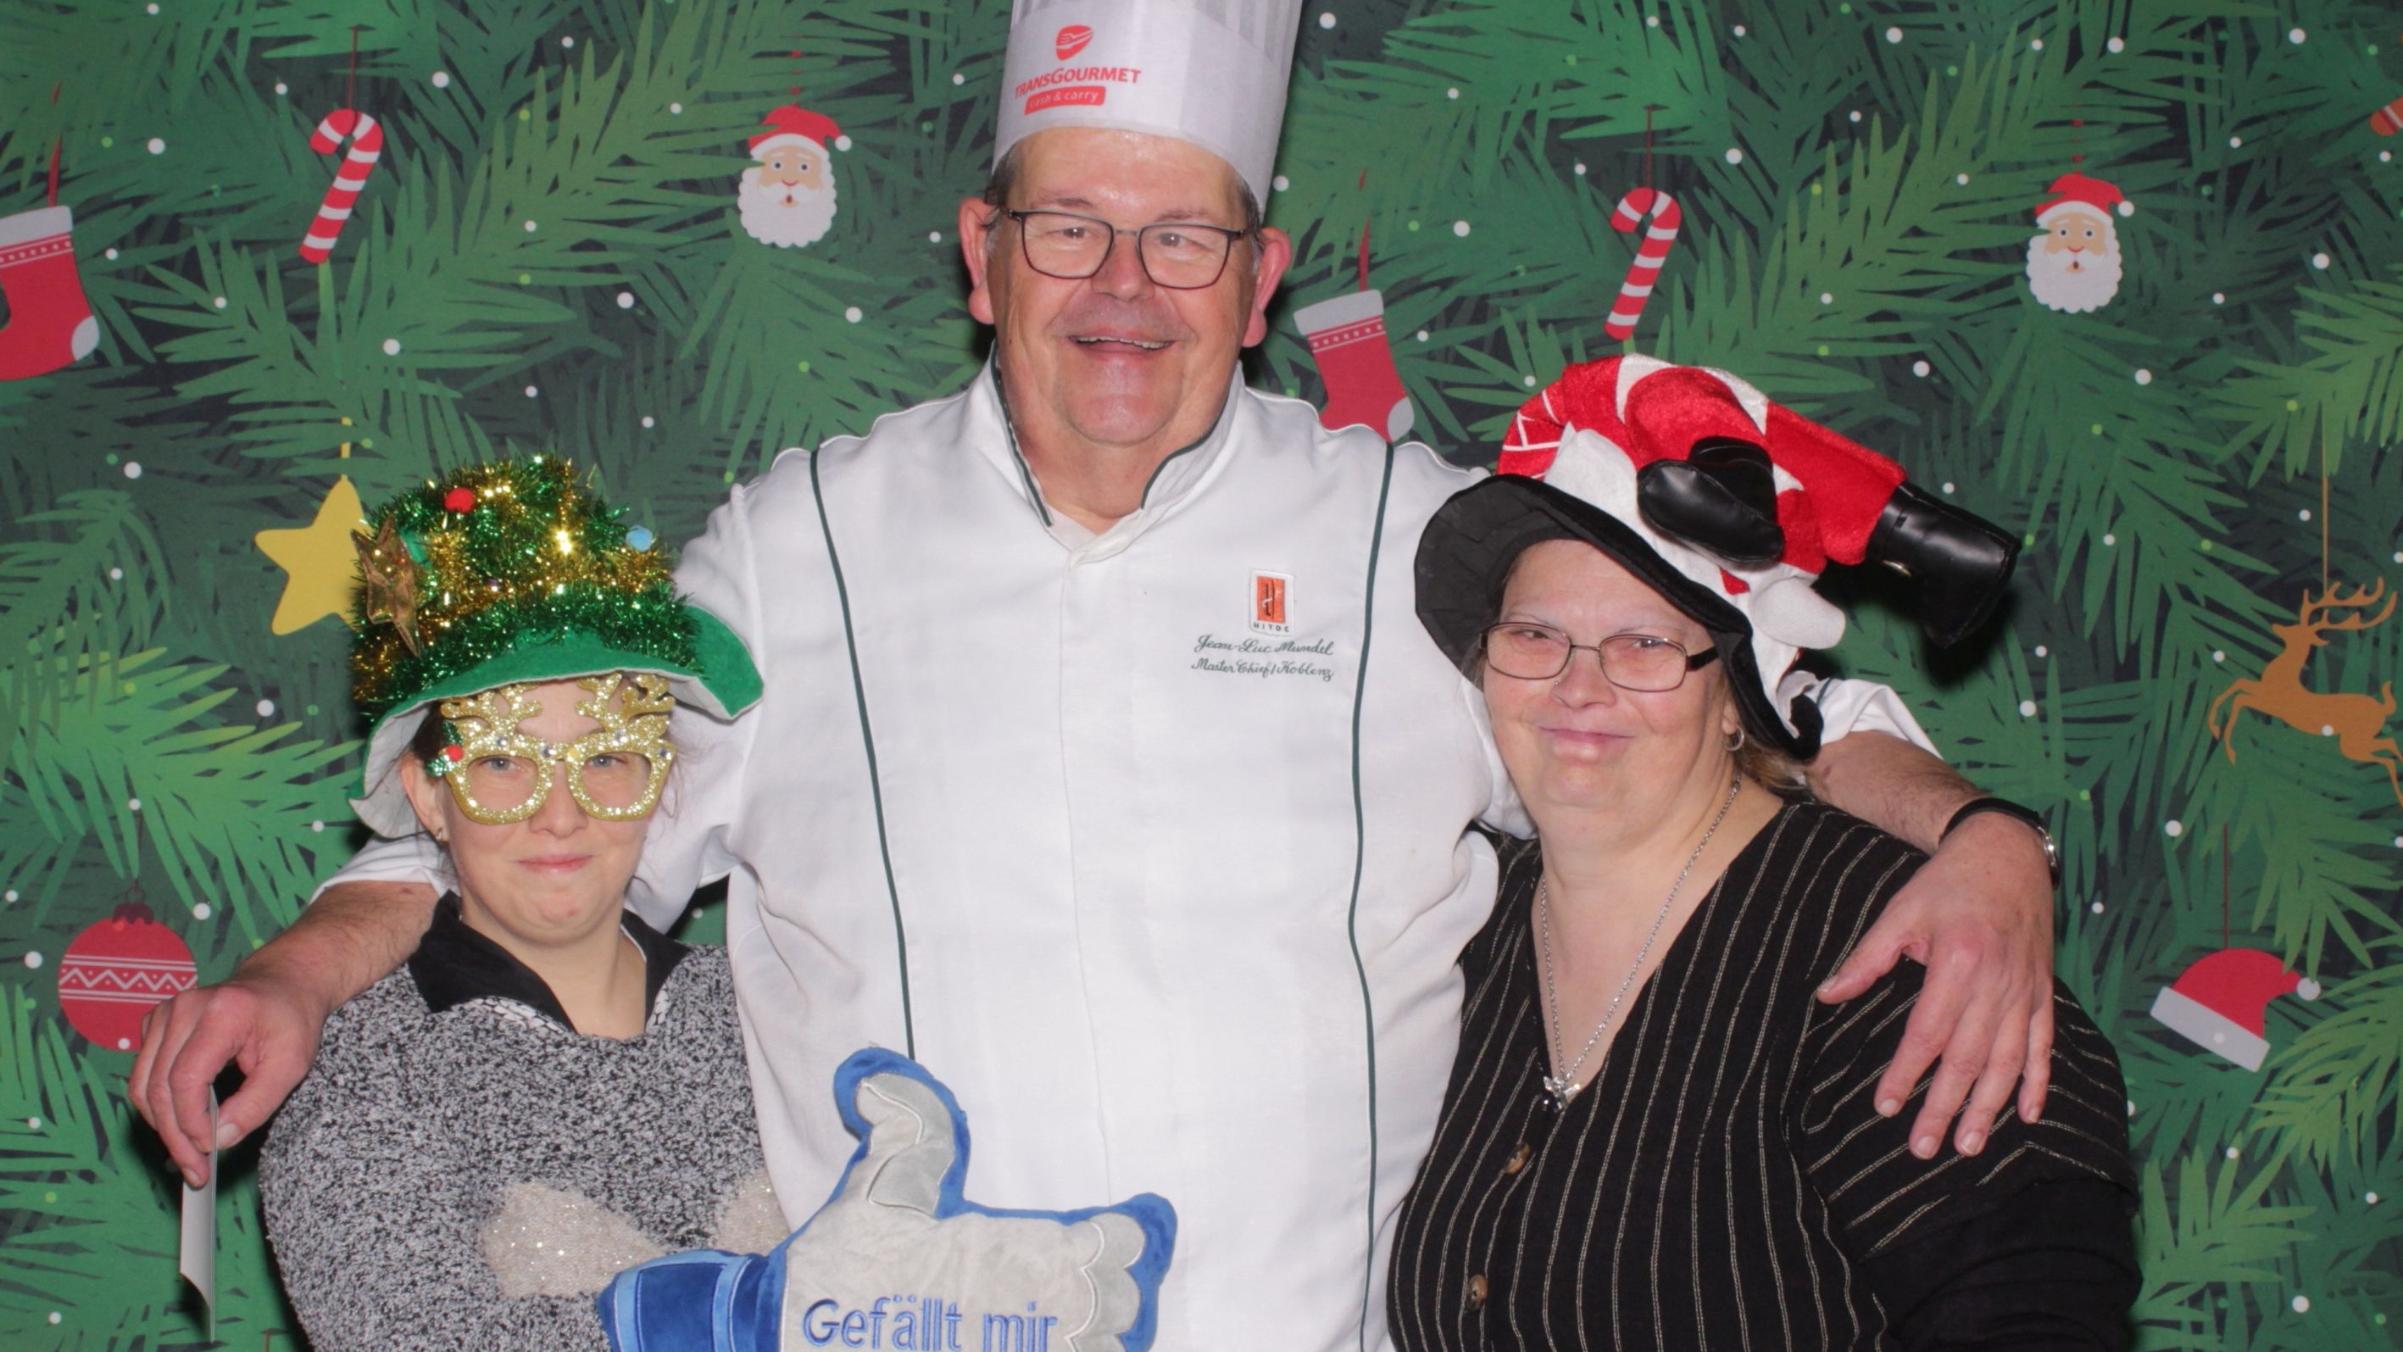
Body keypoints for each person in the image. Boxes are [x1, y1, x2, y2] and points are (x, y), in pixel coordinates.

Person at [135, 5, 2065, 1347]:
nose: (1121, 291)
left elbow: (1731, 710)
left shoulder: (1416, 532)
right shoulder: (798, 538)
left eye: (1179, 237)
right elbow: (540, 803)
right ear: (983, 252)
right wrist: (300, 972)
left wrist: (1978, 842)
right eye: (1068, 226)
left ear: (1258, 273)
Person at [1388, 362, 2137, 1350]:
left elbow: (2029, 1303)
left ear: (1740, 692)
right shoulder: (1462, 928)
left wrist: (1990, 830)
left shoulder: (1900, 954)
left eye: (1645, 644)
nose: (1578, 686)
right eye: (1536, 634)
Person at [249, 461, 784, 1349]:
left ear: (659, 779)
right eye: (504, 762)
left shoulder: (768, 1019)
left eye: (604, 758)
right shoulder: (369, 1071)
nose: (561, 813)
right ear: (425, 794)